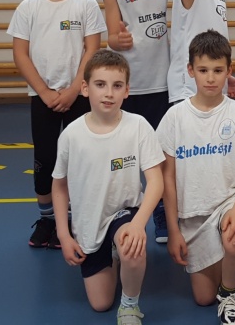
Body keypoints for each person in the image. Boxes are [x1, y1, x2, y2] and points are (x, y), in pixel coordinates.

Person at [51, 50, 165, 324]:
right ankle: (111, 254)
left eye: (117, 85)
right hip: (89, 223)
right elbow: (59, 186)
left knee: (132, 248)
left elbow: (156, 181)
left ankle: (129, 305)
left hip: (124, 213)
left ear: (127, 90)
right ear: (85, 88)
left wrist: (138, 224)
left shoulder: (138, 126)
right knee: (100, 304)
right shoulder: (71, 135)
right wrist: (64, 235)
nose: (109, 93)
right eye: (100, 84)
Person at [8, 0, 105, 249]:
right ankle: (47, 219)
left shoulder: (86, 5)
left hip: (79, 96)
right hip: (43, 98)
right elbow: (20, 53)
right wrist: (44, 92)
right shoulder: (28, 8)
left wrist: (75, 89)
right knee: (45, 158)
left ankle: (75, 218)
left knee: (78, 158)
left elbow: (92, 49)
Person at [157, 30, 235, 325]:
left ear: (228, 70)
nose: (210, 78)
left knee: (234, 239)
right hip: (193, 213)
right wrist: (173, 230)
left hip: (228, 201)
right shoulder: (174, 117)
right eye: (203, 70)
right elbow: (167, 179)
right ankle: (227, 260)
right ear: (190, 70)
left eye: (217, 70)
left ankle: (229, 294)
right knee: (202, 298)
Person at [103, 0, 170, 243]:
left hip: (163, 84)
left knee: (162, 155)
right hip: (131, 87)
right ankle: (124, 216)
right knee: (129, 157)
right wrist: (119, 40)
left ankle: (162, 213)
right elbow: (111, 37)